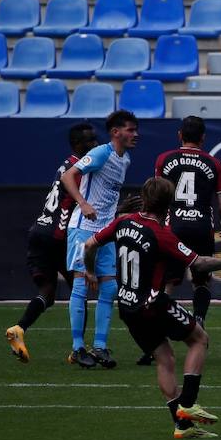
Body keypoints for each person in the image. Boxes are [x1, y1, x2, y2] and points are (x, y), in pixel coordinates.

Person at [83, 177, 221, 439]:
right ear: (168, 206)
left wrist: (90, 271)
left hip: (126, 305)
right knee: (199, 339)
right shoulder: (161, 234)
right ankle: (188, 403)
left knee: (165, 358)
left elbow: (89, 244)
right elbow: (198, 264)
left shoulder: (123, 222)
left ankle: (182, 427)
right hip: (152, 303)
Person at [5, 122, 98, 364]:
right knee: (79, 290)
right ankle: (79, 349)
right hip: (58, 236)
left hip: (39, 230)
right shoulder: (80, 170)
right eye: (90, 140)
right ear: (77, 144)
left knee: (47, 293)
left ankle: (19, 328)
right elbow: (86, 206)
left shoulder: (65, 166)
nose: (95, 144)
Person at [60, 109, 140, 369]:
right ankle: (77, 348)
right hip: (83, 228)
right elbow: (67, 175)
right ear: (116, 132)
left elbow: (105, 197)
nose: (135, 134)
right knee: (81, 286)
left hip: (106, 231)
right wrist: (82, 203)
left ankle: (100, 347)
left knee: (109, 287)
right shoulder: (101, 153)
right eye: (130, 129)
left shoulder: (124, 159)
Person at [154, 115, 221, 325]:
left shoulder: (164, 159)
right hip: (201, 227)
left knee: (168, 281)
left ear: (180, 135)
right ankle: (198, 321)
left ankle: (159, 331)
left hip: (173, 228)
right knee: (201, 280)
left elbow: (156, 195)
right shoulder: (214, 164)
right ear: (203, 137)